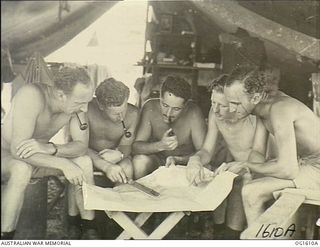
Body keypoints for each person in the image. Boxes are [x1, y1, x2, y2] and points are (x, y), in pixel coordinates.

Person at [1, 67, 98, 240]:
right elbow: (18, 150)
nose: (85, 109)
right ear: (61, 95)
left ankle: (88, 230)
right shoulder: (31, 95)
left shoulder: (76, 108)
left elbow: (81, 146)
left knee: (83, 162)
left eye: (88, 101)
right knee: (21, 168)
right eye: (79, 102)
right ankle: (6, 237)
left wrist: (52, 148)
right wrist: (63, 164)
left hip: (38, 157)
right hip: (7, 155)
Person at [220, 65, 320, 228]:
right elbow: (258, 151)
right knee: (249, 183)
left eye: (236, 103)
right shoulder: (261, 107)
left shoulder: (279, 109)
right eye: (229, 102)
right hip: (306, 163)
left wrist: (245, 165)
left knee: (251, 192)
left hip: (317, 167)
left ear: (255, 97)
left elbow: (288, 170)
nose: (231, 109)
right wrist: (246, 171)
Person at [186, 74, 257, 239]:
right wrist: (195, 160)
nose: (215, 110)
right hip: (238, 169)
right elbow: (207, 151)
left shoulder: (252, 118)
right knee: (218, 177)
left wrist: (241, 167)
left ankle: (231, 235)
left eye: (222, 105)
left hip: (259, 171)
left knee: (241, 181)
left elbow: (268, 159)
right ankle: (219, 232)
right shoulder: (215, 113)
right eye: (213, 102)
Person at [132, 75, 206, 179]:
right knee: (139, 161)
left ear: (185, 106)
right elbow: (135, 148)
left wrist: (178, 160)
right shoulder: (150, 107)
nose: (168, 113)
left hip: (184, 165)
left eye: (176, 109)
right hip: (157, 162)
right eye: (165, 105)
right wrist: (160, 145)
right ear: (160, 98)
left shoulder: (194, 112)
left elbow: (204, 154)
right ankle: (139, 195)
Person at [87, 78, 139, 184]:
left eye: (123, 110)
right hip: (88, 155)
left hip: (115, 156)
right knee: (82, 164)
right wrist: (102, 163)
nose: (121, 117)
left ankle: (121, 199)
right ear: (101, 106)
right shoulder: (87, 109)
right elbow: (77, 144)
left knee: (127, 167)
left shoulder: (133, 114)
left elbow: (126, 144)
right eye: (115, 114)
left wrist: (120, 154)